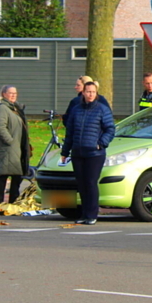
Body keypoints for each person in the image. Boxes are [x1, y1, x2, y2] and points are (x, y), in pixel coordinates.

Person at [61, 81, 115, 225]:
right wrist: (65, 151)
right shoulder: (76, 110)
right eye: (88, 92)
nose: (90, 94)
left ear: (96, 93)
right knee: (81, 184)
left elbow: (110, 129)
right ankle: (84, 214)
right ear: (83, 93)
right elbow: (70, 132)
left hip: (95, 153)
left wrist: (101, 143)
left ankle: (92, 214)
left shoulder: (102, 109)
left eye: (93, 92)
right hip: (78, 152)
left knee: (91, 182)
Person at [0, 85, 30, 206]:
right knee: (4, 175)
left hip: (16, 147)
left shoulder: (15, 108)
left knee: (17, 175)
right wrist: (10, 141)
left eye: (15, 93)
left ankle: (13, 201)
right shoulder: (3, 108)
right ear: (4, 94)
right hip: (9, 147)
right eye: (10, 93)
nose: (13, 95)